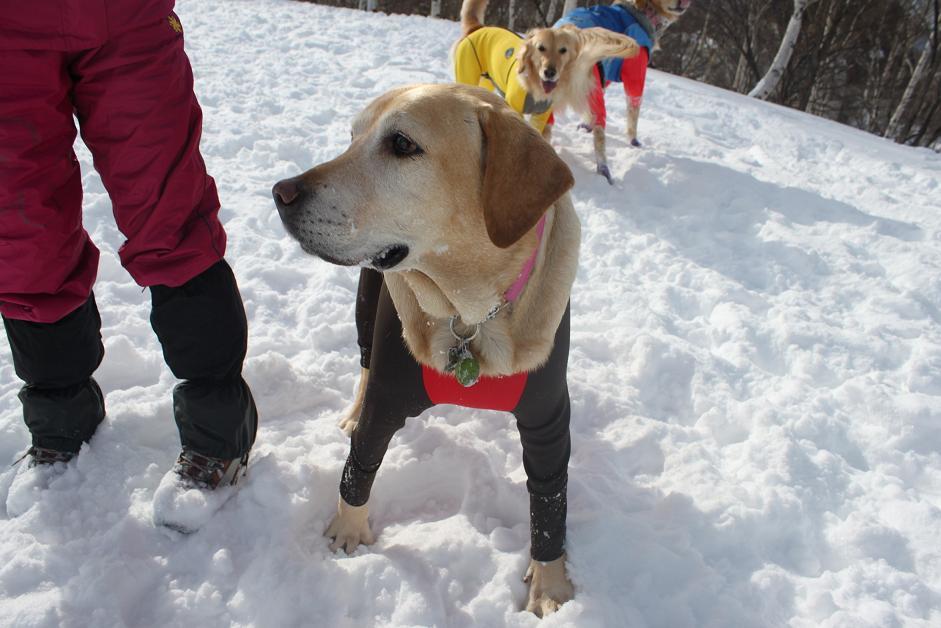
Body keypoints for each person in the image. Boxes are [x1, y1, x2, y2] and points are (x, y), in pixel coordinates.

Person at [0, 1, 258, 530]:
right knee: (20, 236)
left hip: (122, 15)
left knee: (171, 219)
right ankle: (59, 422)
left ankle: (217, 438)